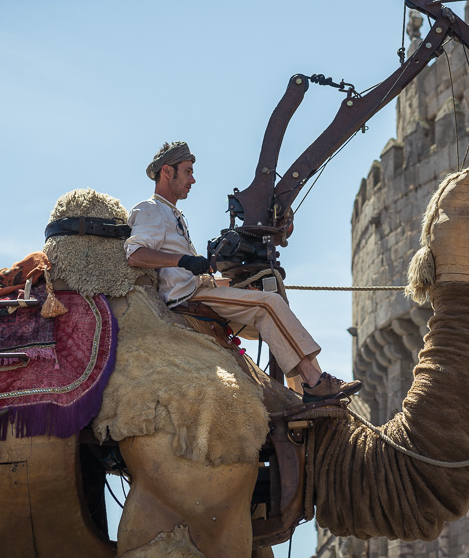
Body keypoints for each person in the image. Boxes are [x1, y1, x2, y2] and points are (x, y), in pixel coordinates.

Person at [125, 141, 361, 403]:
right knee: (269, 305)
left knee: (279, 316)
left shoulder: (173, 213)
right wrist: (184, 260)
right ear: (167, 172)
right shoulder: (150, 210)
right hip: (188, 300)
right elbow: (135, 255)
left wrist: (223, 283)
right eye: (188, 171)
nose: (193, 179)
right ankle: (315, 383)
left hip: (201, 290)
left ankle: (302, 392)